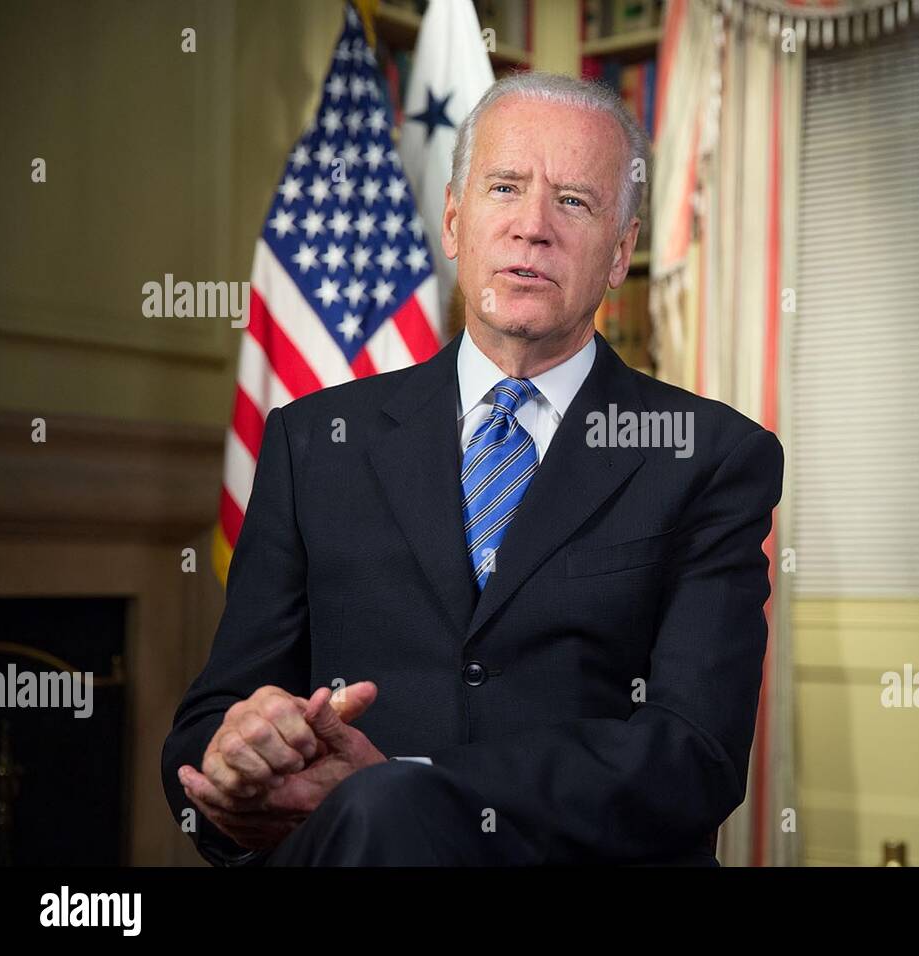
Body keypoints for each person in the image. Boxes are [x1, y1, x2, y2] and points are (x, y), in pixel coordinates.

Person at [162, 71, 783, 866]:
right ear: (454, 221)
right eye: (503, 188)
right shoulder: (313, 441)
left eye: (574, 202)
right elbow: (210, 724)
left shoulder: (711, 457)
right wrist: (238, 766)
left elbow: (694, 756)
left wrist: (412, 784)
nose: (532, 227)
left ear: (621, 252)